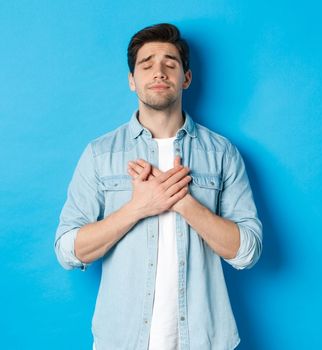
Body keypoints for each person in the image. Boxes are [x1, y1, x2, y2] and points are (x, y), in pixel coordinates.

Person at [54, 23, 262, 350]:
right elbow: (68, 250)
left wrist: (184, 203)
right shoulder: (100, 154)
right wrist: (140, 207)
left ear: (186, 78)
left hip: (204, 340)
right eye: (146, 64)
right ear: (132, 81)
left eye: (170, 63)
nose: (159, 72)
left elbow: (248, 251)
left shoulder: (222, 153)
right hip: (121, 341)